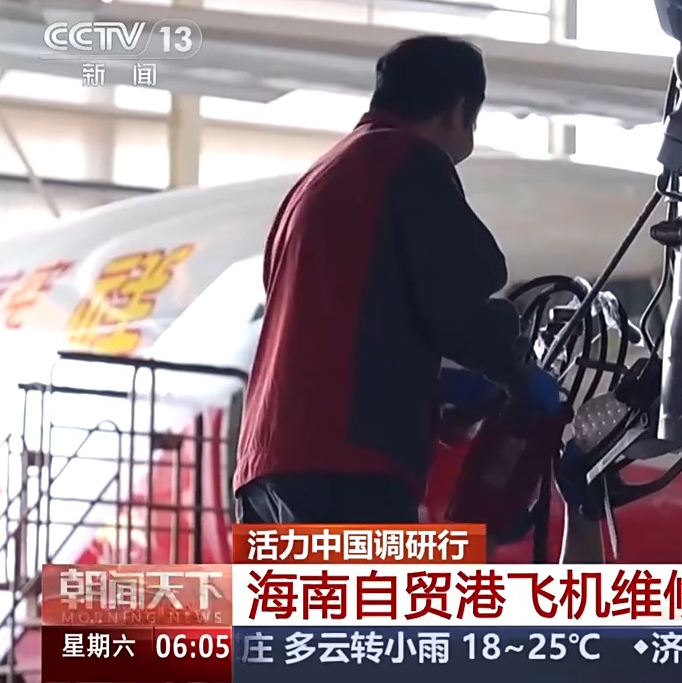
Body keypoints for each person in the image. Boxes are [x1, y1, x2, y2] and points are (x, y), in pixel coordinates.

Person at [234, 35, 561, 525]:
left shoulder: (320, 178)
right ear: (459, 110)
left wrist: (434, 391)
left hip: (266, 468)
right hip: (346, 469)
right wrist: (518, 371)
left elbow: (349, 318)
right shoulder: (409, 163)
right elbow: (458, 302)